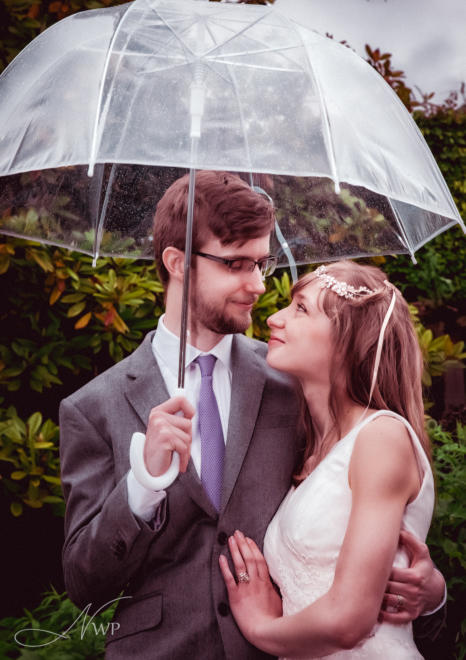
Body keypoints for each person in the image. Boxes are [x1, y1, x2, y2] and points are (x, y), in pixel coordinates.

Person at [60, 172, 445, 660]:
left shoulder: (294, 380)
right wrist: (142, 484)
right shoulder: (94, 407)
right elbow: (82, 583)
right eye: (236, 264)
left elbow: (356, 514)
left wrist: (430, 592)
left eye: (261, 263)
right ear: (178, 263)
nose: (259, 285)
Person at [219, 260, 442, 659]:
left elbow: (349, 619)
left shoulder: (381, 438)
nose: (273, 318)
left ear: (348, 340)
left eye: (301, 309)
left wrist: (260, 626)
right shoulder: (311, 445)